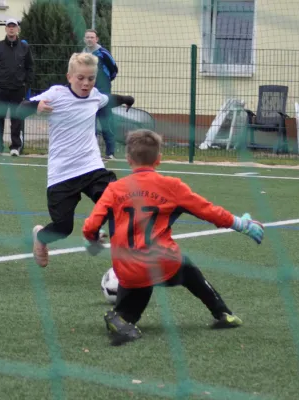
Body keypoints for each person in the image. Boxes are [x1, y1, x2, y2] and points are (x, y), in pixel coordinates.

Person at [82, 129, 264, 346]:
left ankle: (121, 318)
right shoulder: (172, 187)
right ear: (158, 159)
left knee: (133, 292)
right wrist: (242, 225)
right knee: (186, 266)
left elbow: (90, 226)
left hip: (128, 268)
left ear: (128, 159)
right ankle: (223, 313)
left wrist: (94, 238)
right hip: (163, 263)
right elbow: (209, 211)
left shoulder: (113, 189)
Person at [16, 52, 134, 268]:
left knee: (115, 202)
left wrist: (126, 99)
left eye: (90, 78)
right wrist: (37, 107)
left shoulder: (95, 96)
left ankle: (120, 262)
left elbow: (109, 100)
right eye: (80, 78)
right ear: (69, 76)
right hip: (62, 174)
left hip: (92, 167)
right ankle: (41, 237)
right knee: (63, 228)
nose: (86, 83)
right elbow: (20, 110)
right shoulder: (56, 94)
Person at [0, 18, 34, 157]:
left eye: (14, 26)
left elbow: (30, 67)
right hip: (1, 89)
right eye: (9, 26)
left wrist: (26, 85)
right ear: (6, 28)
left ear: (18, 29)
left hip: (18, 89)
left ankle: (15, 147)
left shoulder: (25, 48)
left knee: (16, 119)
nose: (11, 29)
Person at [83, 29, 118, 160]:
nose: (89, 39)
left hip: (103, 93)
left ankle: (110, 153)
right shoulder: (82, 54)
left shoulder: (103, 53)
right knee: (89, 124)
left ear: (96, 39)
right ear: (84, 39)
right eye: (87, 37)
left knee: (106, 122)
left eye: (92, 37)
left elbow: (114, 69)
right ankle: (91, 153)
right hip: (87, 94)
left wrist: (105, 82)